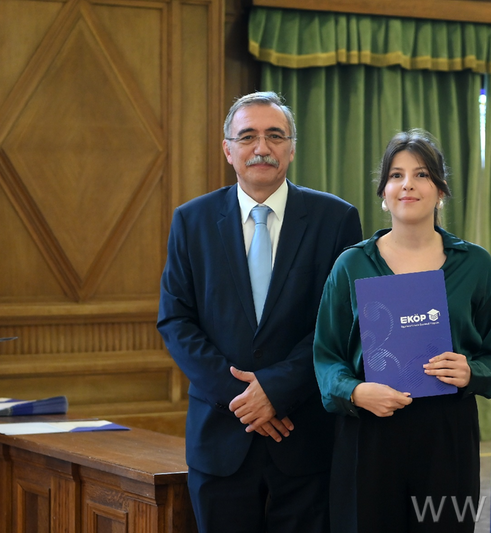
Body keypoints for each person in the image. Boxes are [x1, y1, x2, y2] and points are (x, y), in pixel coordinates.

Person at [157, 91, 363, 533]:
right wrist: (246, 401)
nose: (261, 148)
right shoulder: (191, 221)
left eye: (275, 136)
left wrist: (276, 390)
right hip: (220, 437)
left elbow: (342, 323)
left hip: (305, 436)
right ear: (228, 149)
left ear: (292, 147)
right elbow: (176, 320)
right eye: (247, 136)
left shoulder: (336, 219)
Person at [313, 129, 491, 532]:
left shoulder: (474, 264)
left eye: (421, 174)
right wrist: (354, 392)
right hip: (369, 430)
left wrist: (471, 372)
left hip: (447, 433)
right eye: (396, 175)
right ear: (383, 193)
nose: (408, 184)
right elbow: (326, 356)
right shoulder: (351, 265)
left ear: (441, 190)